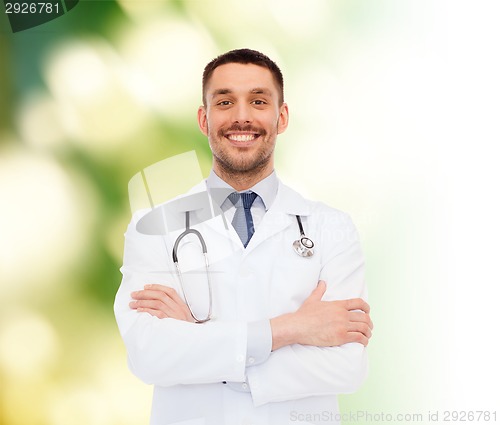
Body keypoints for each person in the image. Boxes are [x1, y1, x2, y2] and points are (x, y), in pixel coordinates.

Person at [114, 48, 373, 425]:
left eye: (258, 100)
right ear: (204, 119)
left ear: (281, 117)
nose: (241, 116)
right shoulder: (152, 227)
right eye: (224, 102)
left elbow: (347, 365)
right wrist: (294, 329)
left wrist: (202, 345)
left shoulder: (331, 228)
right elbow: (149, 355)